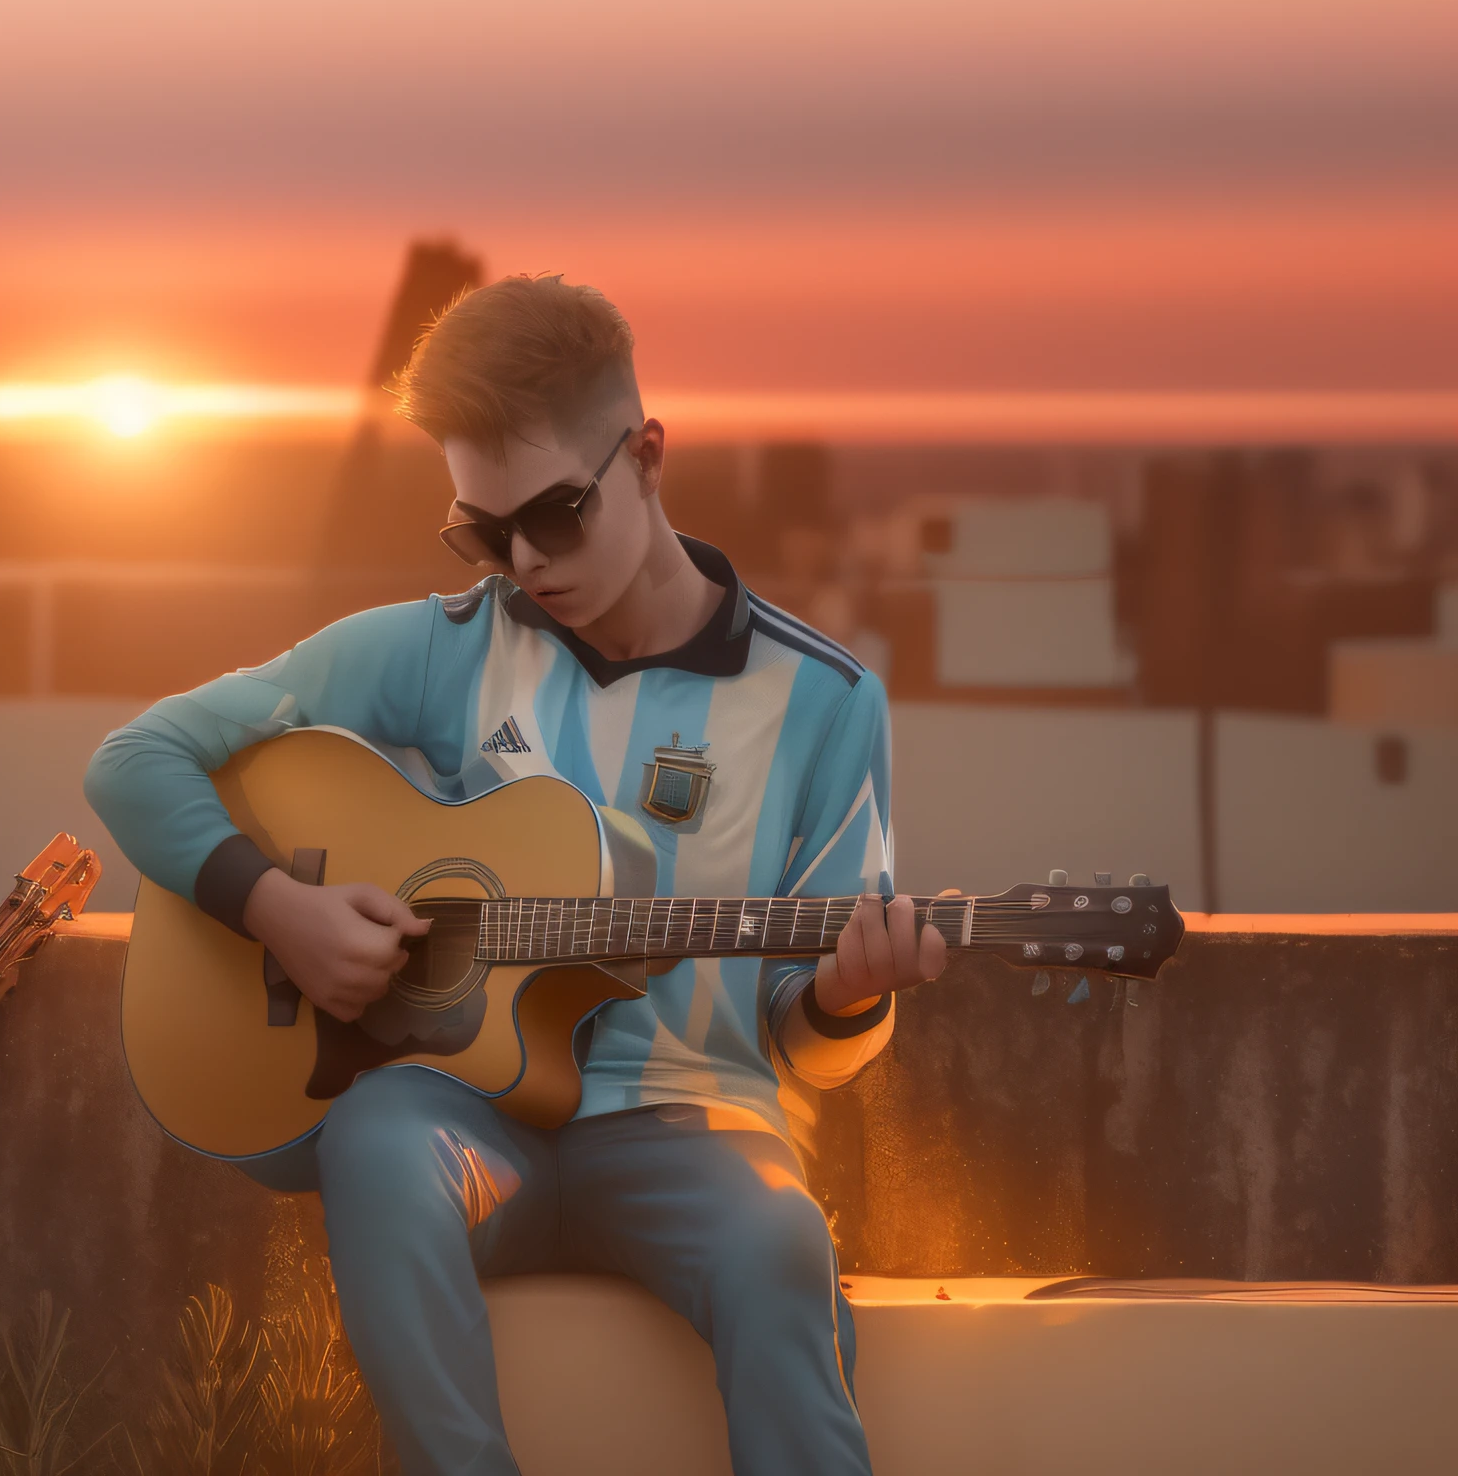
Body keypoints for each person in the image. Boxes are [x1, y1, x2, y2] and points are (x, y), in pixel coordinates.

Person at [85, 276, 948, 1476]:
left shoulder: (822, 703)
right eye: (484, 532)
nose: (527, 563)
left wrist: (854, 998)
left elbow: (808, 1043)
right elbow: (137, 758)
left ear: (647, 457)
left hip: (692, 1123)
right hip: (468, 1115)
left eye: (557, 515)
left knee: (781, 1245)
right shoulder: (440, 650)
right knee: (374, 1137)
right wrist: (277, 909)